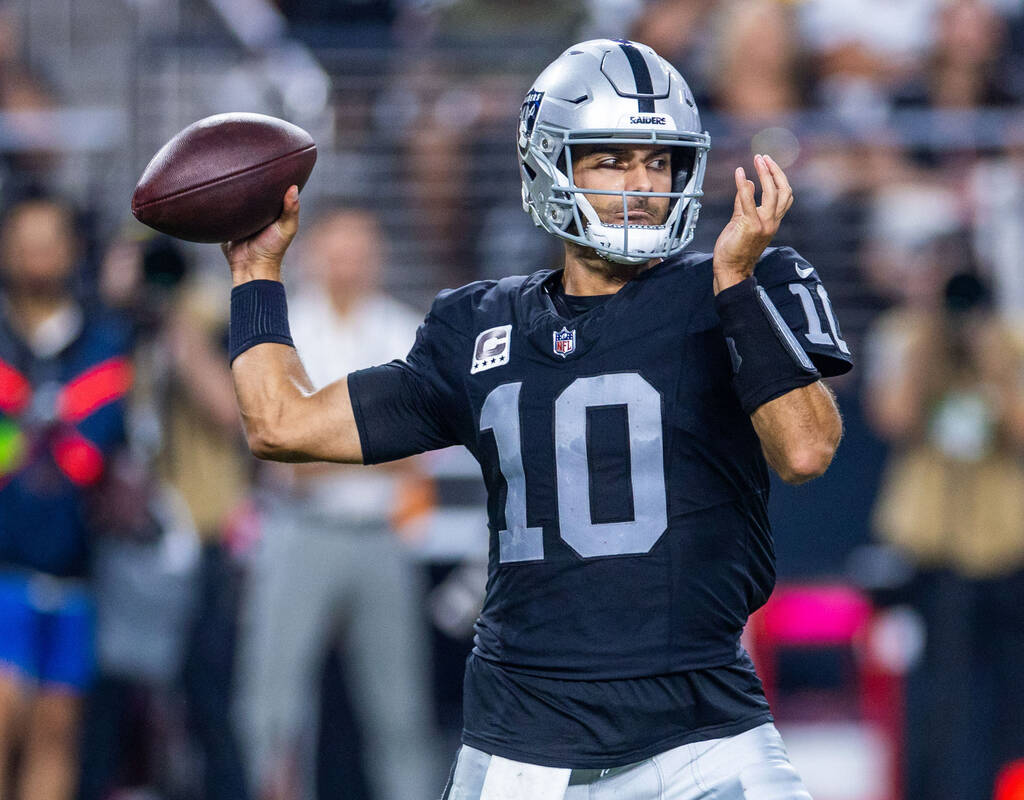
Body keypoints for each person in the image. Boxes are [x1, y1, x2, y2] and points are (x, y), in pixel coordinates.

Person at [220, 39, 850, 799]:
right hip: (525, 746)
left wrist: (738, 286)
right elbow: (281, 425)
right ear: (551, 163)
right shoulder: (476, 325)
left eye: (660, 162)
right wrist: (256, 277)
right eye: (612, 161)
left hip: (705, 732)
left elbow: (808, 449)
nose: (643, 186)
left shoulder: (744, 280)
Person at [236, 206, 437, 800]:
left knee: (400, 707)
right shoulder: (284, 328)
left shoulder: (406, 330)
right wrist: (372, 448)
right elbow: (274, 453)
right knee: (272, 704)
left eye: (359, 249)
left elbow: (420, 451)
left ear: (378, 257)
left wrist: (314, 446)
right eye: (337, 249)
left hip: (380, 534)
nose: (347, 262)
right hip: (301, 530)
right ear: (315, 253)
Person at [864, 269, 1024, 800]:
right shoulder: (905, 337)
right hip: (937, 550)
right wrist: (931, 350)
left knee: (1015, 700)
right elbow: (892, 418)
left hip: (1014, 547)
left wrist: (995, 362)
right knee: (938, 700)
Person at [0, 197, 131, 800]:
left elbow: (91, 456)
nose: (36, 253)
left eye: (49, 239)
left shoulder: (104, 341)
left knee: (57, 729)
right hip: (5, 570)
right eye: (24, 240)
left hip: (76, 570)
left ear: (72, 249)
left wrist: (36, 436)